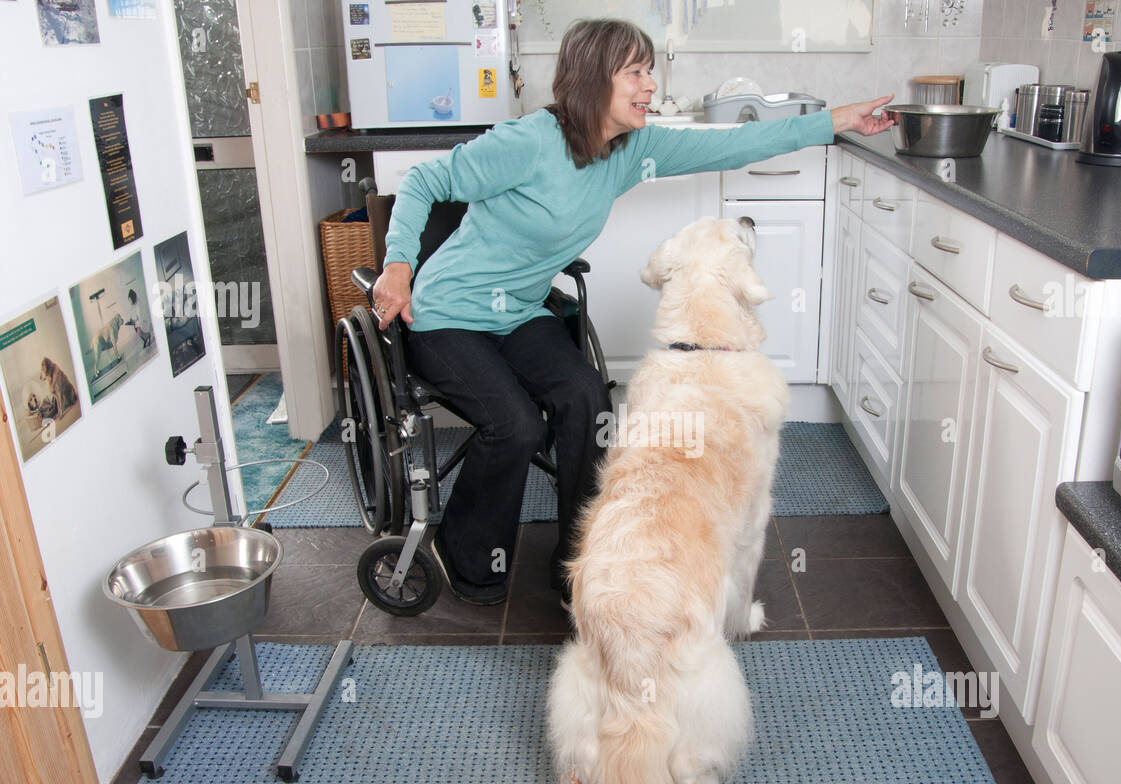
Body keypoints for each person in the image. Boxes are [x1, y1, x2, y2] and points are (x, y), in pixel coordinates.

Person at [371, 17, 894, 606]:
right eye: (636, 72)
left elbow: (733, 143)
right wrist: (397, 266)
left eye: (650, 70)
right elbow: (423, 181)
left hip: (517, 312)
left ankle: (583, 561)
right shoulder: (529, 142)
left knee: (586, 397)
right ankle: (468, 558)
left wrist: (837, 122)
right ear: (595, 78)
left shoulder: (629, 150)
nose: (650, 85)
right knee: (514, 424)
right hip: (445, 315)